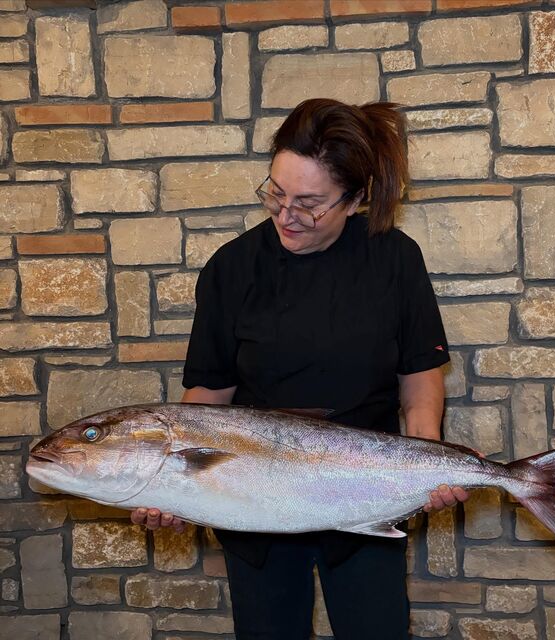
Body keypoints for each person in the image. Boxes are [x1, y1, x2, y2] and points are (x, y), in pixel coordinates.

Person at [131, 98, 469, 640]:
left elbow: (418, 373)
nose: (286, 215)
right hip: (255, 504)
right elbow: (208, 396)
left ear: (353, 200)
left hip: (365, 493)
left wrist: (429, 463)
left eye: (309, 204)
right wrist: (169, 484)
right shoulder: (231, 269)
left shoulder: (394, 258)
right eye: (276, 193)